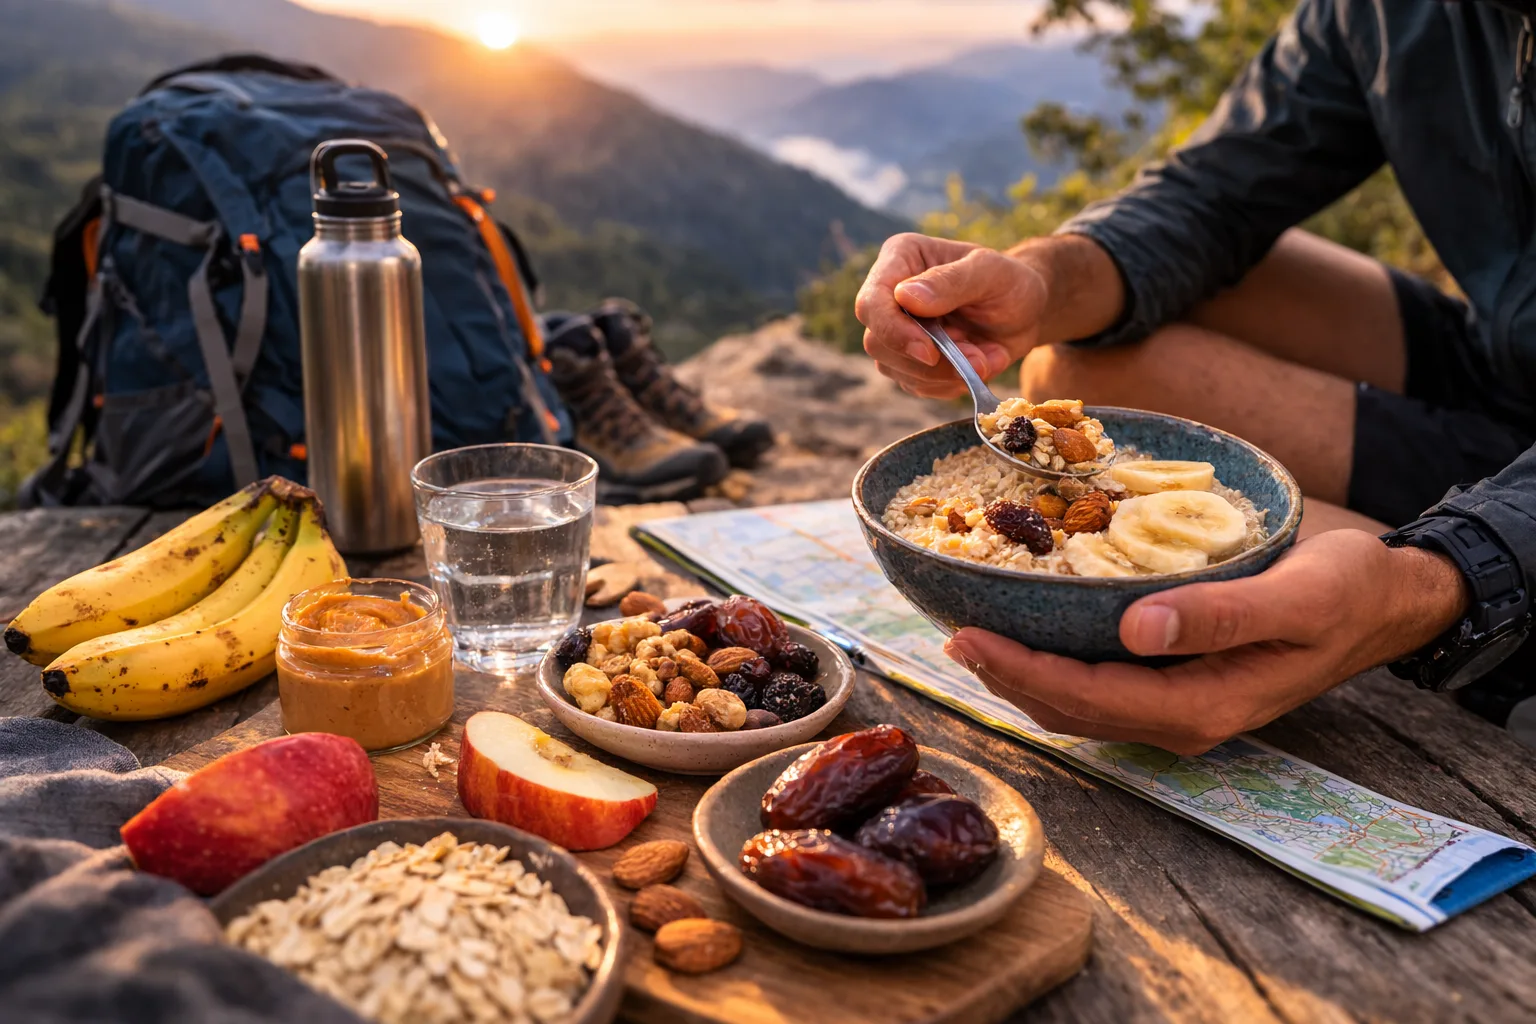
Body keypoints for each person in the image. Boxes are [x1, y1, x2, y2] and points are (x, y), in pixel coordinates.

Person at [857, 0, 1536, 753]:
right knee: (1071, 358)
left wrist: (1435, 581)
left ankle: (1470, 627)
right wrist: (1040, 282)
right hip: (1502, 353)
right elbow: (1213, 195)